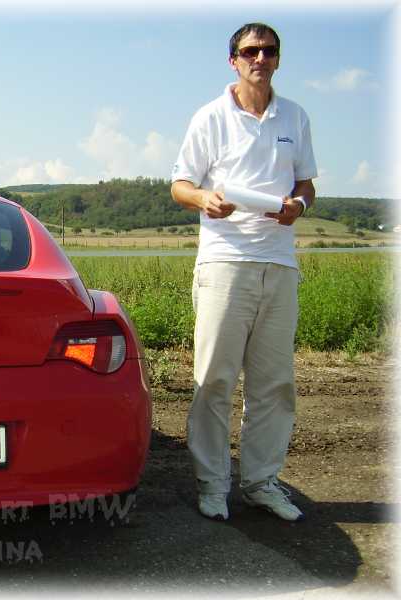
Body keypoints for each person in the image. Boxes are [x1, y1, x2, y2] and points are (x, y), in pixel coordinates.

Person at [170, 22, 317, 522]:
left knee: (274, 384)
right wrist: (203, 199)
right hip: (225, 261)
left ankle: (261, 483)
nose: (260, 58)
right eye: (250, 51)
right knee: (214, 379)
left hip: (279, 263)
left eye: (269, 51)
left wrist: (299, 205)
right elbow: (180, 184)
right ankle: (213, 485)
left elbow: (306, 184)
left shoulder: (295, 116)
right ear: (233, 60)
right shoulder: (210, 116)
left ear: (278, 59)